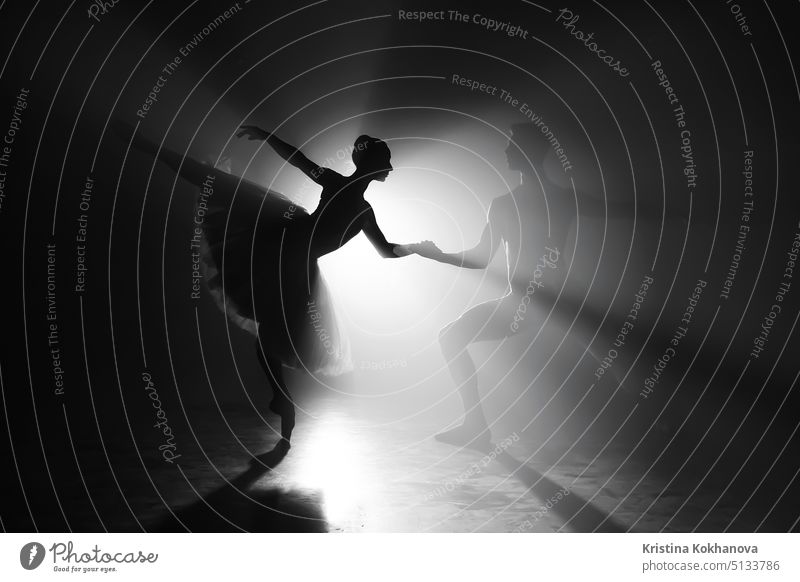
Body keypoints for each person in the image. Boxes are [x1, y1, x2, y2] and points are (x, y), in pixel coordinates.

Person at [119, 121, 415, 456]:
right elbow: (299, 160)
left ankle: (281, 398)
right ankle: (144, 143)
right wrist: (267, 136)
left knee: (270, 337)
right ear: (372, 165)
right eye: (385, 162)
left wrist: (420, 248)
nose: (390, 168)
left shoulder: (359, 207)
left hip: (292, 259)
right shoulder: (351, 200)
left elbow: (385, 250)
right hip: (284, 245)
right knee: (220, 186)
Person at [410, 122, 633, 451]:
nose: (506, 149)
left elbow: (621, 210)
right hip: (542, 302)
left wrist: (437, 254)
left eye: (513, 143)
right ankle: (476, 427)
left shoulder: (532, 201)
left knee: (616, 356)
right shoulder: (540, 200)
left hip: (549, 302)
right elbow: (482, 258)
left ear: (530, 150)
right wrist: (438, 254)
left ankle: (476, 426)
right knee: (612, 356)